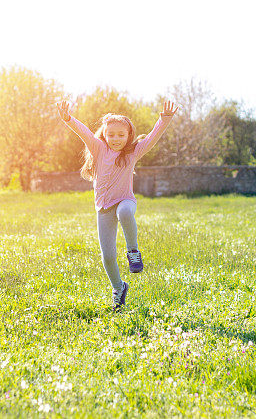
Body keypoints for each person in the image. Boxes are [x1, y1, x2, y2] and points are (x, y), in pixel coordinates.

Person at [56, 99, 178, 309]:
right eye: (111, 134)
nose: (116, 139)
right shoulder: (98, 148)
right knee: (108, 257)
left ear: (128, 135)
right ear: (104, 134)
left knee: (124, 213)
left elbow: (152, 138)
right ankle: (118, 287)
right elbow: (83, 131)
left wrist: (164, 119)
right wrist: (68, 118)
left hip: (125, 201)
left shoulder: (132, 152)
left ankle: (133, 251)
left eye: (121, 135)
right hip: (103, 208)